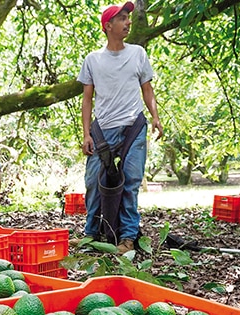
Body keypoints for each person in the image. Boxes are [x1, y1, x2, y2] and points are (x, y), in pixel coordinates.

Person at [77, 2, 164, 254]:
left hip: (132, 128)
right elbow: (86, 99)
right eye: (123, 18)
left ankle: (127, 237)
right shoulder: (93, 60)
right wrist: (86, 134)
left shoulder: (138, 54)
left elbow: (147, 89)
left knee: (131, 181)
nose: (128, 22)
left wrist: (155, 116)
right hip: (103, 131)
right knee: (93, 181)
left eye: (128, 17)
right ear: (108, 26)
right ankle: (91, 234)